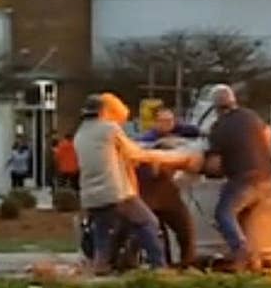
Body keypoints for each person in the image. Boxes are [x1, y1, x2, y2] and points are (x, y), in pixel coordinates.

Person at [74, 93, 196, 275]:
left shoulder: (80, 134)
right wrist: (175, 157)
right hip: (116, 191)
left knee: (102, 232)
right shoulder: (109, 129)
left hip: (91, 195)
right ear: (104, 111)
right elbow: (135, 153)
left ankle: (100, 267)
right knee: (148, 223)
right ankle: (159, 268)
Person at [206, 84, 271, 273]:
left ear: (215, 107)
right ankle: (253, 262)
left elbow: (214, 164)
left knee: (223, 214)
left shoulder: (219, 127)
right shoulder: (250, 116)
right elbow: (268, 134)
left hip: (243, 179)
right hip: (267, 177)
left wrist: (205, 167)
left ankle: (240, 252)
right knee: (243, 220)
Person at [135, 107, 201, 268]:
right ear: (155, 123)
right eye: (163, 121)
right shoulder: (147, 140)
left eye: (170, 121)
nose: (167, 124)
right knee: (152, 231)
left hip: (169, 192)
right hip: (148, 192)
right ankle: (160, 265)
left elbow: (197, 133)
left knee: (186, 228)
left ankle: (188, 264)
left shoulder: (180, 134)